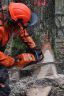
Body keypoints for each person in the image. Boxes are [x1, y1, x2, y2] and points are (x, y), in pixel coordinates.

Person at [0, 2, 43, 96]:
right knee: (3, 87)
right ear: (14, 23)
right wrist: (12, 61)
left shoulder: (12, 18)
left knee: (3, 78)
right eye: (22, 24)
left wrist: (34, 48)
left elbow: (22, 32)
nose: (22, 27)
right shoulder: (2, 28)